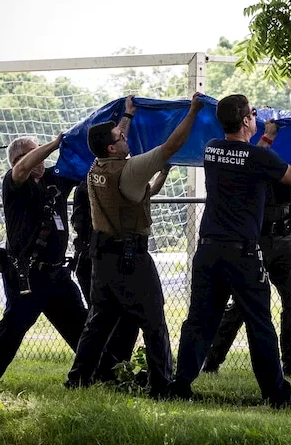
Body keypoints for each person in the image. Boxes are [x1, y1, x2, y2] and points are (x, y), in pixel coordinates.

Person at [171, 95, 291, 405]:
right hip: (242, 254)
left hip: (208, 251)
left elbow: (250, 158)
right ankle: (277, 395)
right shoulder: (257, 158)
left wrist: (268, 136)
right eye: (252, 113)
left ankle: (181, 385)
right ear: (246, 121)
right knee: (260, 324)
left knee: (199, 320)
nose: (256, 116)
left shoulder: (212, 150)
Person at [65, 93, 197, 396]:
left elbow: (142, 188)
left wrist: (128, 115)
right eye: (120, 135)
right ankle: (162, 385)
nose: (125, 135)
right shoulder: (130, 169)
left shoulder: (97, 167)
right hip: (130, 259)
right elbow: (172, 145)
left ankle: (78, 380)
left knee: (98, 323)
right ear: (113, 147)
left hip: (103, 260)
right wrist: (193, 111)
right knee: (154, 321)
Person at [201, 116, 291, 377]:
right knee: (240, 304)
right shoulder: (251, 156)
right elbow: (253, 156)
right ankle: (211, 361)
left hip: (285, 239)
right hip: (255, 241)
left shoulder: (284, 161)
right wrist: (273, 137)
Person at [0, 133, 84, 381]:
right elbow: (22, 168)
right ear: (18, 160)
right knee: (13, 327)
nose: (41, 159)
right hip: (27, 274)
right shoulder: (14, 183)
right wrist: (54, 144)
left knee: (80, 324)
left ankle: (101, 372)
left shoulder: (54, 180)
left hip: (56, 273)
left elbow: (89, 158)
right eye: (34, 152)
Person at [70, 176, 139, 382]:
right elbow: (83, 225)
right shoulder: (90, 185)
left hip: (117, 260)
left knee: (127, 318)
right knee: (102, 318)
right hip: (94, 260)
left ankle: (116, 369)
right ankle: (101, 371)